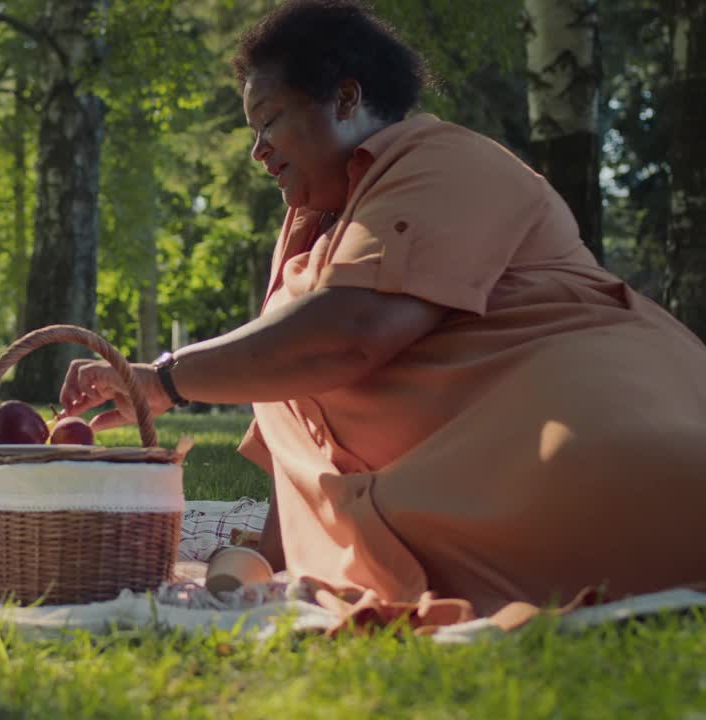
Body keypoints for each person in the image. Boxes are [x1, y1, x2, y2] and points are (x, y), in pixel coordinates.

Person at [58, 0, 706, 620]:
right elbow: (300, 415)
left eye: (271, 120)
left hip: (591, 431)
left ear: (345, 98)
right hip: (452, 510)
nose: (257, 150)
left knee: (614, 496)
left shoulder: (447, 161)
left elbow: (348, 338)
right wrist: (266, 560)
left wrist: (166, 380)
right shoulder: (312, 227)